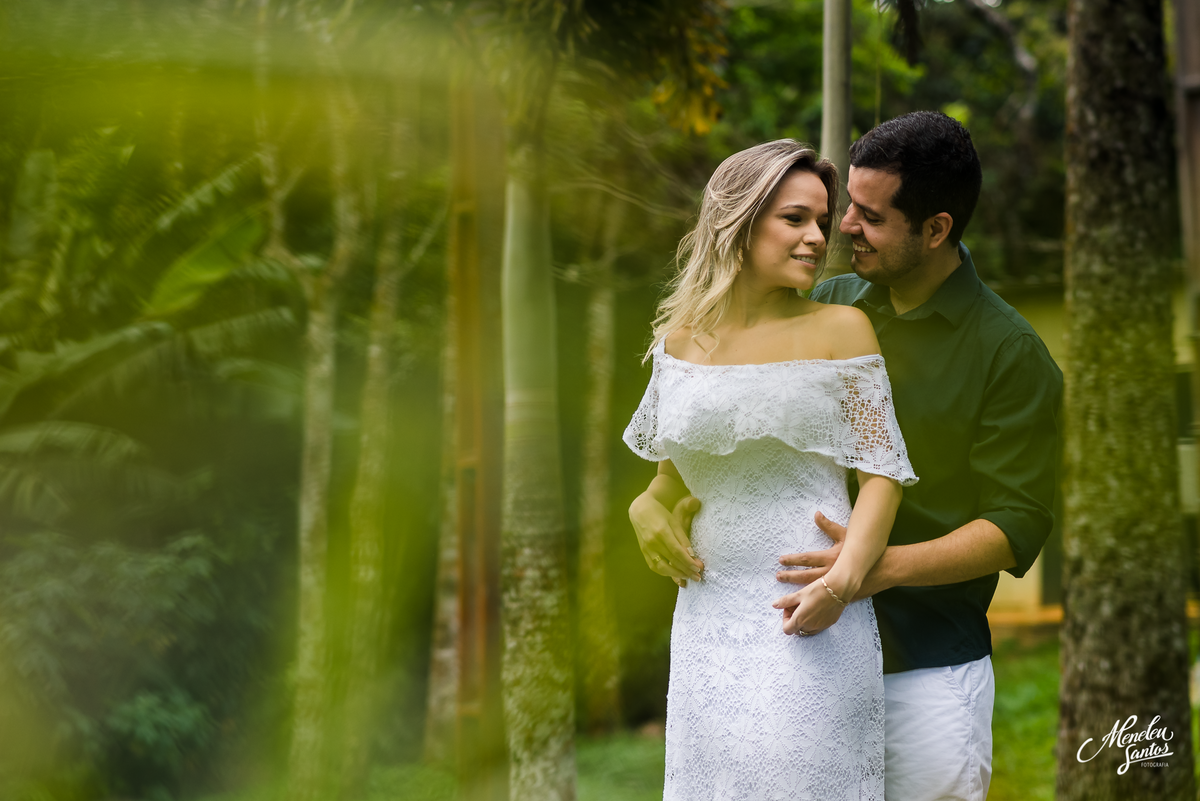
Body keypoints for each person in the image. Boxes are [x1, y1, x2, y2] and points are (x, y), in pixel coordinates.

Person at [629, 111, 1062, 801]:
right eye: (843, 209)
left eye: (867, 215)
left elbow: (1019, 521)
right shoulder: (823, 303)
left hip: (924, 664)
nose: (840, 230)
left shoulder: (1008, 352)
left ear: (936, 229)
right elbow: (722, 440)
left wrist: (871, 569)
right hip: (779, 642)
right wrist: (650, 500)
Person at [622, 139, 918, 801]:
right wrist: (644, 507)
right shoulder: (679, 342)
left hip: (810, 609)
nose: (817, 237)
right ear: (740, 218)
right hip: (707, 617)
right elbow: (671, 477)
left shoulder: (843, 330)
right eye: (795, 219)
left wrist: (842, 583)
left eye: (821, 220)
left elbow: (882, 476)